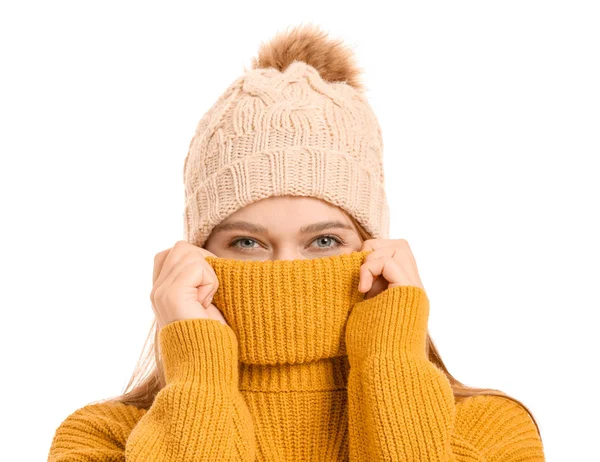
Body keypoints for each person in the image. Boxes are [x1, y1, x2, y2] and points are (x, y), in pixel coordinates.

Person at [48, 23, 545, 461]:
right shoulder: (101, 441)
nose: (287, 270)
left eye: (325, 239)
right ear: (193, 258)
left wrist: (390, 359)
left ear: (376, 251)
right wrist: (198, 372)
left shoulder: (490, 432)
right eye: (246, 243)